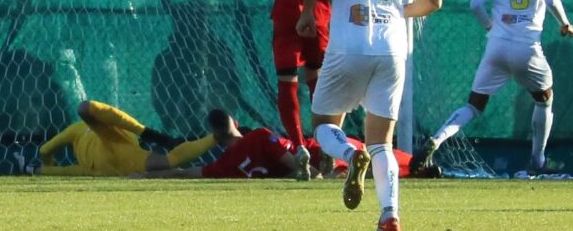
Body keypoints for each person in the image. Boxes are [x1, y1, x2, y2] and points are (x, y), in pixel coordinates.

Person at [295, 0, 442, 231]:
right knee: (383, 142)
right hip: (392, 49)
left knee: (322, 126)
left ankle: (349, 153)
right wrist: (398, 11)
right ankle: (390, 215)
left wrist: (308, 13)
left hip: (348, 44)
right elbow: (433, 0)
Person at [411, 0, 573, 177]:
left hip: (497, 47)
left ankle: (436, 139)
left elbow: (476, 3)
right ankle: (537, 161)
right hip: (527, 47)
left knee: (473, 105)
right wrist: (564, 24)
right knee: (544, 100)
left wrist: (491, 27)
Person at [190, 0, 330, 179]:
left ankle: (299, 146)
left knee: (286, 83)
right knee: (318, 83)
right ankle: (325, 145)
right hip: (317, 17)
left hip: (286, 16)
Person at [132, 109, 441, 181]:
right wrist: (300, 165)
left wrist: (148, 177)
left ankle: (414, 170)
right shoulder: (258, 135)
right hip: (319, 150)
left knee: (356, 169)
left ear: (214, 136)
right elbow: (289, 153)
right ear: (236, 123)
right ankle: (414, 167)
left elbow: (190, 172)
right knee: (371, 154)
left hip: (304, 163)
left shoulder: (222, 166)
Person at [14, 100, 225, 176]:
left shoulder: (77, 132)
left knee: (54, 171)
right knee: (170, 164)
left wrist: (46, 163)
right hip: (124, 158)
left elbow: (44, 151)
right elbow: (88, 108)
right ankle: (219, 136)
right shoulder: (104, 135)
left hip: (103, 168)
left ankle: (28, 169)